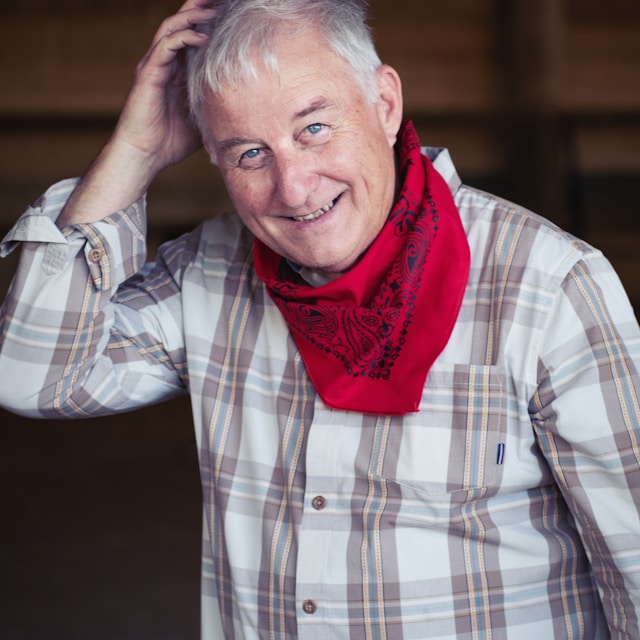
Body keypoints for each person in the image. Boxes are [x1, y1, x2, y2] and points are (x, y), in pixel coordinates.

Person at [1, 0, 639, 637]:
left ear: (384, 104)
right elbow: (32, 377)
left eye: (314, 129)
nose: (295, 187)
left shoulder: (550, 284)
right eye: (250, 153)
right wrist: (135, 151)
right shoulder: (207, 274)